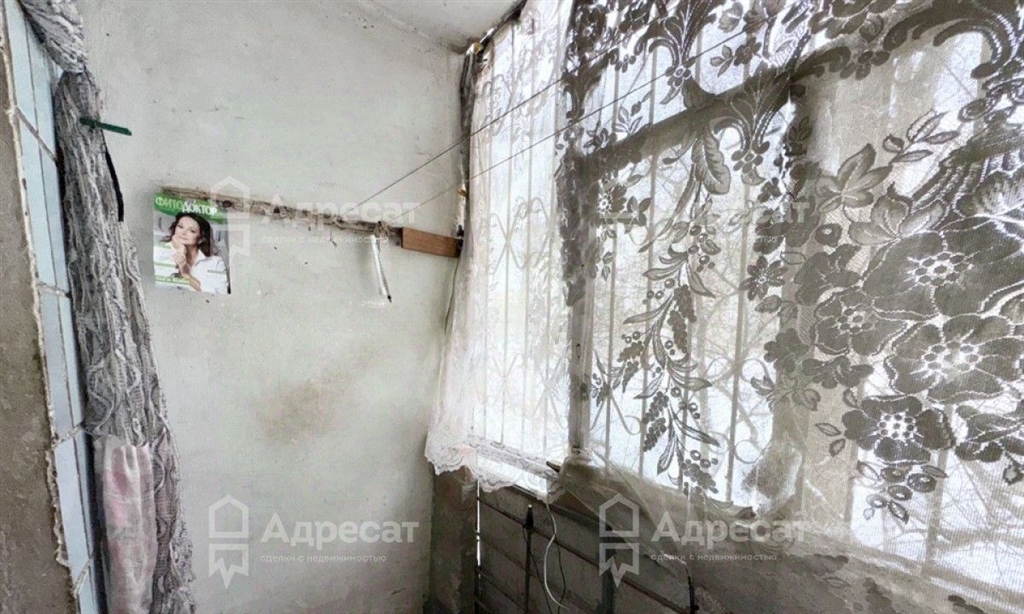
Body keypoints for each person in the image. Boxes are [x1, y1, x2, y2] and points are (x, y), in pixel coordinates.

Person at [159, 212, 228, 294]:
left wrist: (187, 276)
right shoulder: (161, 252)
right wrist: (180, 250)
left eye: (192, 231)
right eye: (180, 227)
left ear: (201, 239)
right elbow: (160, 288)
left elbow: (221, 294)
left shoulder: (216, 263)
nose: (183, 233)